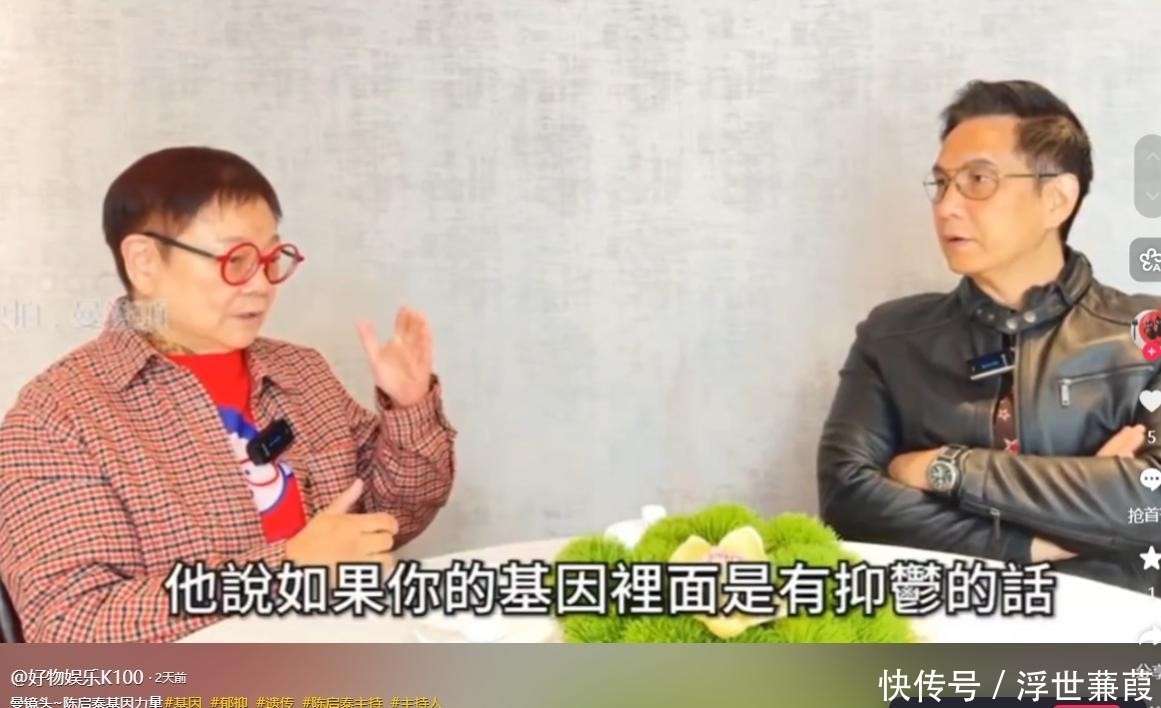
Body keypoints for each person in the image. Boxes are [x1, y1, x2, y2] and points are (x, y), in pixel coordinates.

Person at [0, 146, 457, 641]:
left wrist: (409, 407)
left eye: (271, 259)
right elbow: (70, 626)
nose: (261, 285)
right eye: (235, 260)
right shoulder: (58, 417)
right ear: (144, 261)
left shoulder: (301, 371)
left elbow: (396, 515)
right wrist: (286, 570)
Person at [818, 79, 1160, 595]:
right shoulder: (892, 339)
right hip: (942, 630)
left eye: (978, 180)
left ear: (1056, 199)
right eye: (941, 184)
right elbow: (848, 501)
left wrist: (946, 468)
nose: (946, 207)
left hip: (1109, 634)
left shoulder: (1143, 335)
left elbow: (1151, 503)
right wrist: (1033, 542)